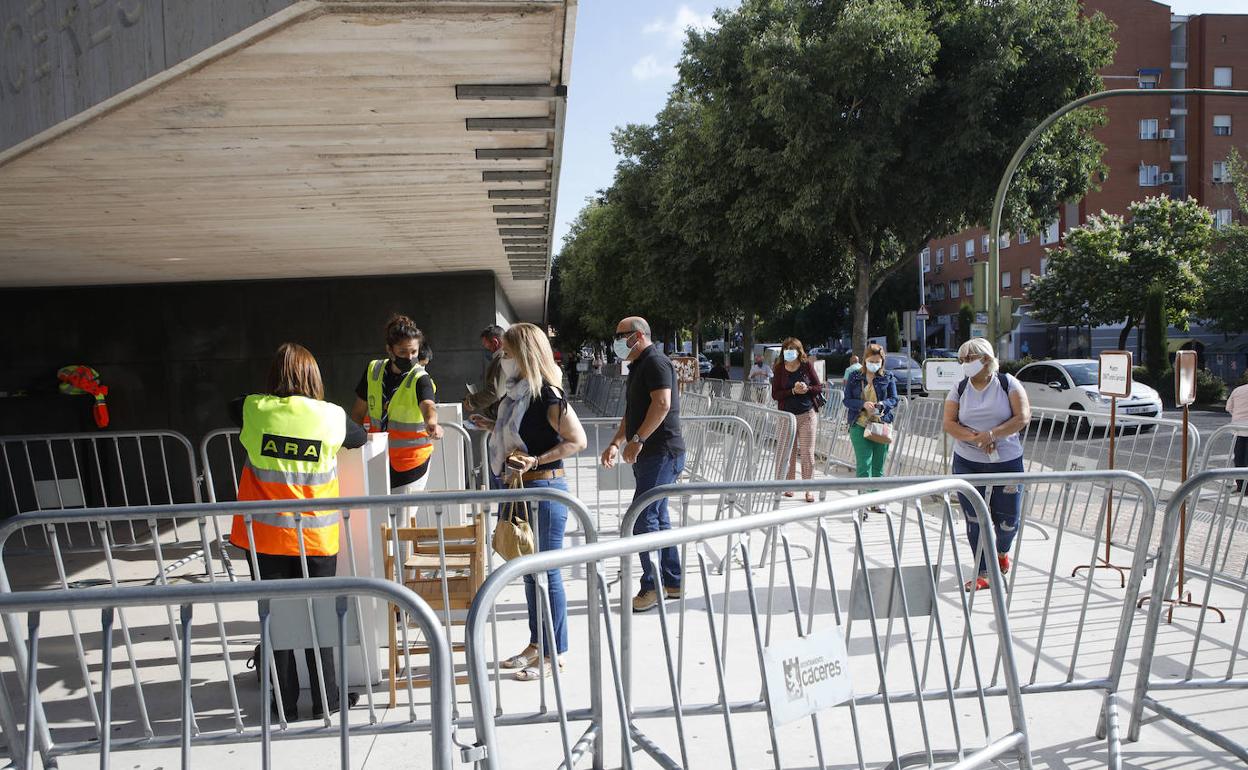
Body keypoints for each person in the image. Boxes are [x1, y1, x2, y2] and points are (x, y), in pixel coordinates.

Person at [229, 343, 367, 721]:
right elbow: (359, 438)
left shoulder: (253, 409)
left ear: (274, 376)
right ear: (314, 377)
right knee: (320, 622)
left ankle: (283, 703)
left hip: (266, 539)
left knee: (277, 621)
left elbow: (232, 405)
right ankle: (327, 699)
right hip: (316, 538)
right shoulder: (331, 416)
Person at [475, 323, 588, 680]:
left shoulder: (548, 395)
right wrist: (492, 428)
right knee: (527, 572)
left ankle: (555, 652)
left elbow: (577, 440)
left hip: (545, 490)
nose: (502, 360)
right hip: (519, 490)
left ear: (524, 355)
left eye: (507, 354)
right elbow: (523, 436)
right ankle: (537, 644)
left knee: (547, 573)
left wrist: (537, 460)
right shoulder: (515, 396)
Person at [601, 316, 686, 612]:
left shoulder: (655, 362)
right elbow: (633, 411)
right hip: (651, 454)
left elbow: (662, 404)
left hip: (661, 452)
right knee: (657, 519)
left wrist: (637, 439)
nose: (616, 342)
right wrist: (616, 442)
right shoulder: (639, 365)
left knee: (642, 519)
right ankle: (672, 581)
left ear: (636, 336)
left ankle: (652, 586)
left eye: (619, 336)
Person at [942, 338, 1031, 592]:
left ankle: (1002, 551)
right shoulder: (959, 388)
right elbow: (949, 422)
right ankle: (983, 571)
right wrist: (977, 439)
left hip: (1007, 461)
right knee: (974, 518)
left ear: (986, 359)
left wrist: (993, 435)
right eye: (963, 359)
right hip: (968, 462)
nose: (966, 363)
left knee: (1008, 521)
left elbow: (1023, 416)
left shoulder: (1007, 383)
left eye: (971, 358)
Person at [350, 315, 442, 494]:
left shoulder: (420, 377)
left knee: (402, 521)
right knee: (378, 520)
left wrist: (432, 423)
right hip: (376, 459)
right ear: (389, 350)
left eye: (414, 352)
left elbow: (428, 405)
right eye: (402, 352)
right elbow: (358, 413)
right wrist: (356, 449)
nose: (409, 358)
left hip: (410, 462)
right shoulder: (373, 370)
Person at [842, 343, 899, 515]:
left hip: (881, 426)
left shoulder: (888, 377)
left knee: (878, 465)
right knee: (864, 465)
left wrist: (882, 404)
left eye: (878, 361)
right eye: (872, 361)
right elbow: (847, 400)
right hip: (859, 425)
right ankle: (862, 503)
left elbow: (894, 399)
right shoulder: (854, 377)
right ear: (865, 360)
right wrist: (862, 404)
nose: (875, 364)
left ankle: (876, 500)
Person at [771, 338, 825, 503]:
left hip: (806, 414)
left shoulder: (806, 365)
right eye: (786, 348)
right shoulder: (779, 368)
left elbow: (818, 387)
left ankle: (809, 489)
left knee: (807, 452)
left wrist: (806, 388)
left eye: (792, 349)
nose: (789, 351)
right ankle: (787, 485)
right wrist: (792, 391)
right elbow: (775, 394)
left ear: (799, 351)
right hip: (786, 416)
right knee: (786, 451)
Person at [464, 325, 507, 420]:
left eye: (486, 345)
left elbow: (494, 392)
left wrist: (472, 401)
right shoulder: (503, 358)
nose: (485, 348)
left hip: (505, 416)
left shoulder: (501, 359)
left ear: (495, 342)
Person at [1227, 379, 1248, 494]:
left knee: (1239, 458)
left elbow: (1228, 408)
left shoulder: (1237, 390)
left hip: (1238, 429)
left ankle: (1241, 486)